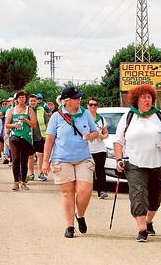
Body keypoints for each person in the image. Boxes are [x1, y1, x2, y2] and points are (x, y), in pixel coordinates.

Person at [114, 84, 161, 242]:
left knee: (155, 197)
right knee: (138, 195)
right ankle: (142, 229)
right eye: (144, 97)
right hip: (135, 163)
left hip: (159, 163)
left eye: (149, 97)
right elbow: (118, 142)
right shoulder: (129, 116)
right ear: (137, 100)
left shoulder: (160, 115)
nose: (147, 100)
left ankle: (149, 222)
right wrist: (119, 159)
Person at [42, 86, 99, 238]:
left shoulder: (85, 113)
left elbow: (96, 132)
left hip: (83, 157)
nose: (80, 99)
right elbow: (49, 140)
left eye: (80, 97)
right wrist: (45, 162)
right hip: (62, 158)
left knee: (85, 191)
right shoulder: (56, 117)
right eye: (76, 98)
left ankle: (80, 215)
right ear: (67, 101)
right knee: (68, 193)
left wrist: (90, 136)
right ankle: (69, 226)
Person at [5, 90, 36, 191]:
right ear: (16, 99)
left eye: (23, 97)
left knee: (24, 160)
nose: (22, 99)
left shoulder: (29, 110)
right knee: (15, 159)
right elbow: (7, 125)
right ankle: (15, 182)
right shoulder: (12, 110)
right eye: (20, 97)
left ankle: (23, 182)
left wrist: (26, 120)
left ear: (26, 99)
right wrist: (14, 125)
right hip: (14, 138)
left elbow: (34, 124)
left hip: (26, 138)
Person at [86, 97, 109, 199]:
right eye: (91, 105)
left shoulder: (102, 119)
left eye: (95, 105)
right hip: (87, 149)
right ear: (87, 106)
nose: (93, 107)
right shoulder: (84, 118)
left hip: (100, 149)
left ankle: (102, 191)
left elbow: (106, 133)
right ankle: (87, 191)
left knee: (100, 170)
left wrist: (103, 136)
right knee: (87, 171)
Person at [29, 94, 47, 182]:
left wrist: (47, 135)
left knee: (40, 155)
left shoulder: (41, 109)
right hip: (29, 136)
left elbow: (46, 121)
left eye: (34, 101)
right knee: (30, 156)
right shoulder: (26, 110)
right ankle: (31, 174)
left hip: (41, 136)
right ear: (28, 102)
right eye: (31, 101)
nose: (32, 102)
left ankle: (41, 173)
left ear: (37, 101)